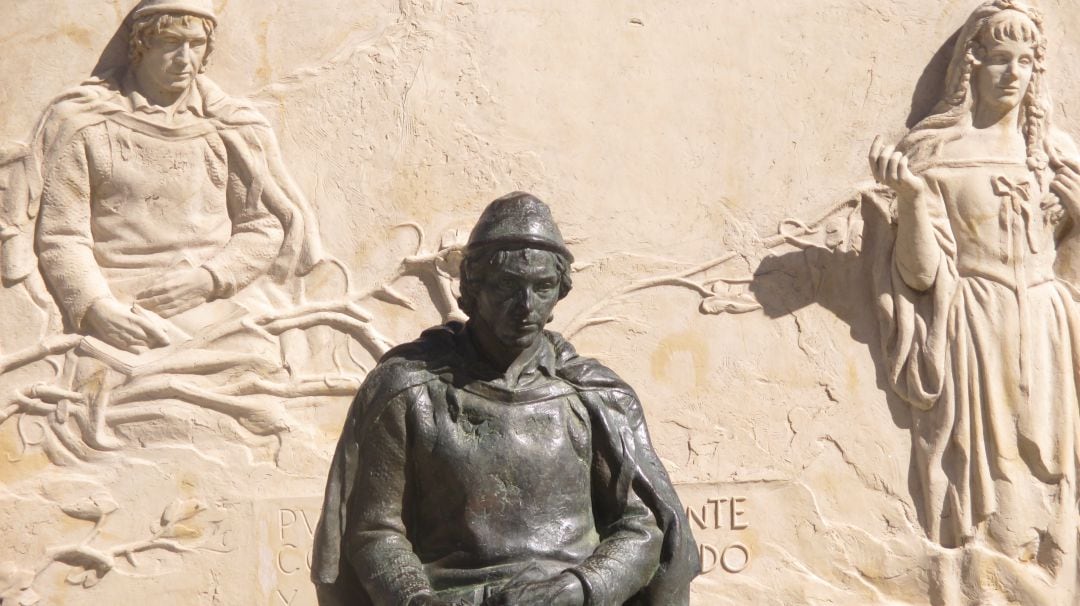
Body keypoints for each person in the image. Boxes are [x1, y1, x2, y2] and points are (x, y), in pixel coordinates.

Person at [312, 192, 699, 606]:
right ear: (473, 288)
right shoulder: (409, 390)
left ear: (559, 292)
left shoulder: (594, 397)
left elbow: (645, 524)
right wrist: (416, 599)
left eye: (543, 287)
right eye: (507, 286)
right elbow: (374, 528)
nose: (526, 306)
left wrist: (582, 588)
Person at [868, 1, 1080, 602]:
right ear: (972, 67)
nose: (1013, 74)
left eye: (1026, 63)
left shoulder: (1057, 156)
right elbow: (919, 273)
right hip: (975, 333)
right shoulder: (934, 154)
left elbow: (1071, 269)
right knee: (990, 494)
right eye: (999, 61)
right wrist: (910, 199)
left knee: (1057, 482)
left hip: (1048, 332)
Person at [25, 0, 321, 353]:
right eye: (170, 43)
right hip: (120, 310)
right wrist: (95, 307)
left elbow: (262, 225)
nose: (185, 59)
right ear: (140, 45)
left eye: (196, 44)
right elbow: (62, 235)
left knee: (261, 369)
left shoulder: (230, 127)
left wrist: (208, 279)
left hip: (213, 308)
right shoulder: (87, 124)